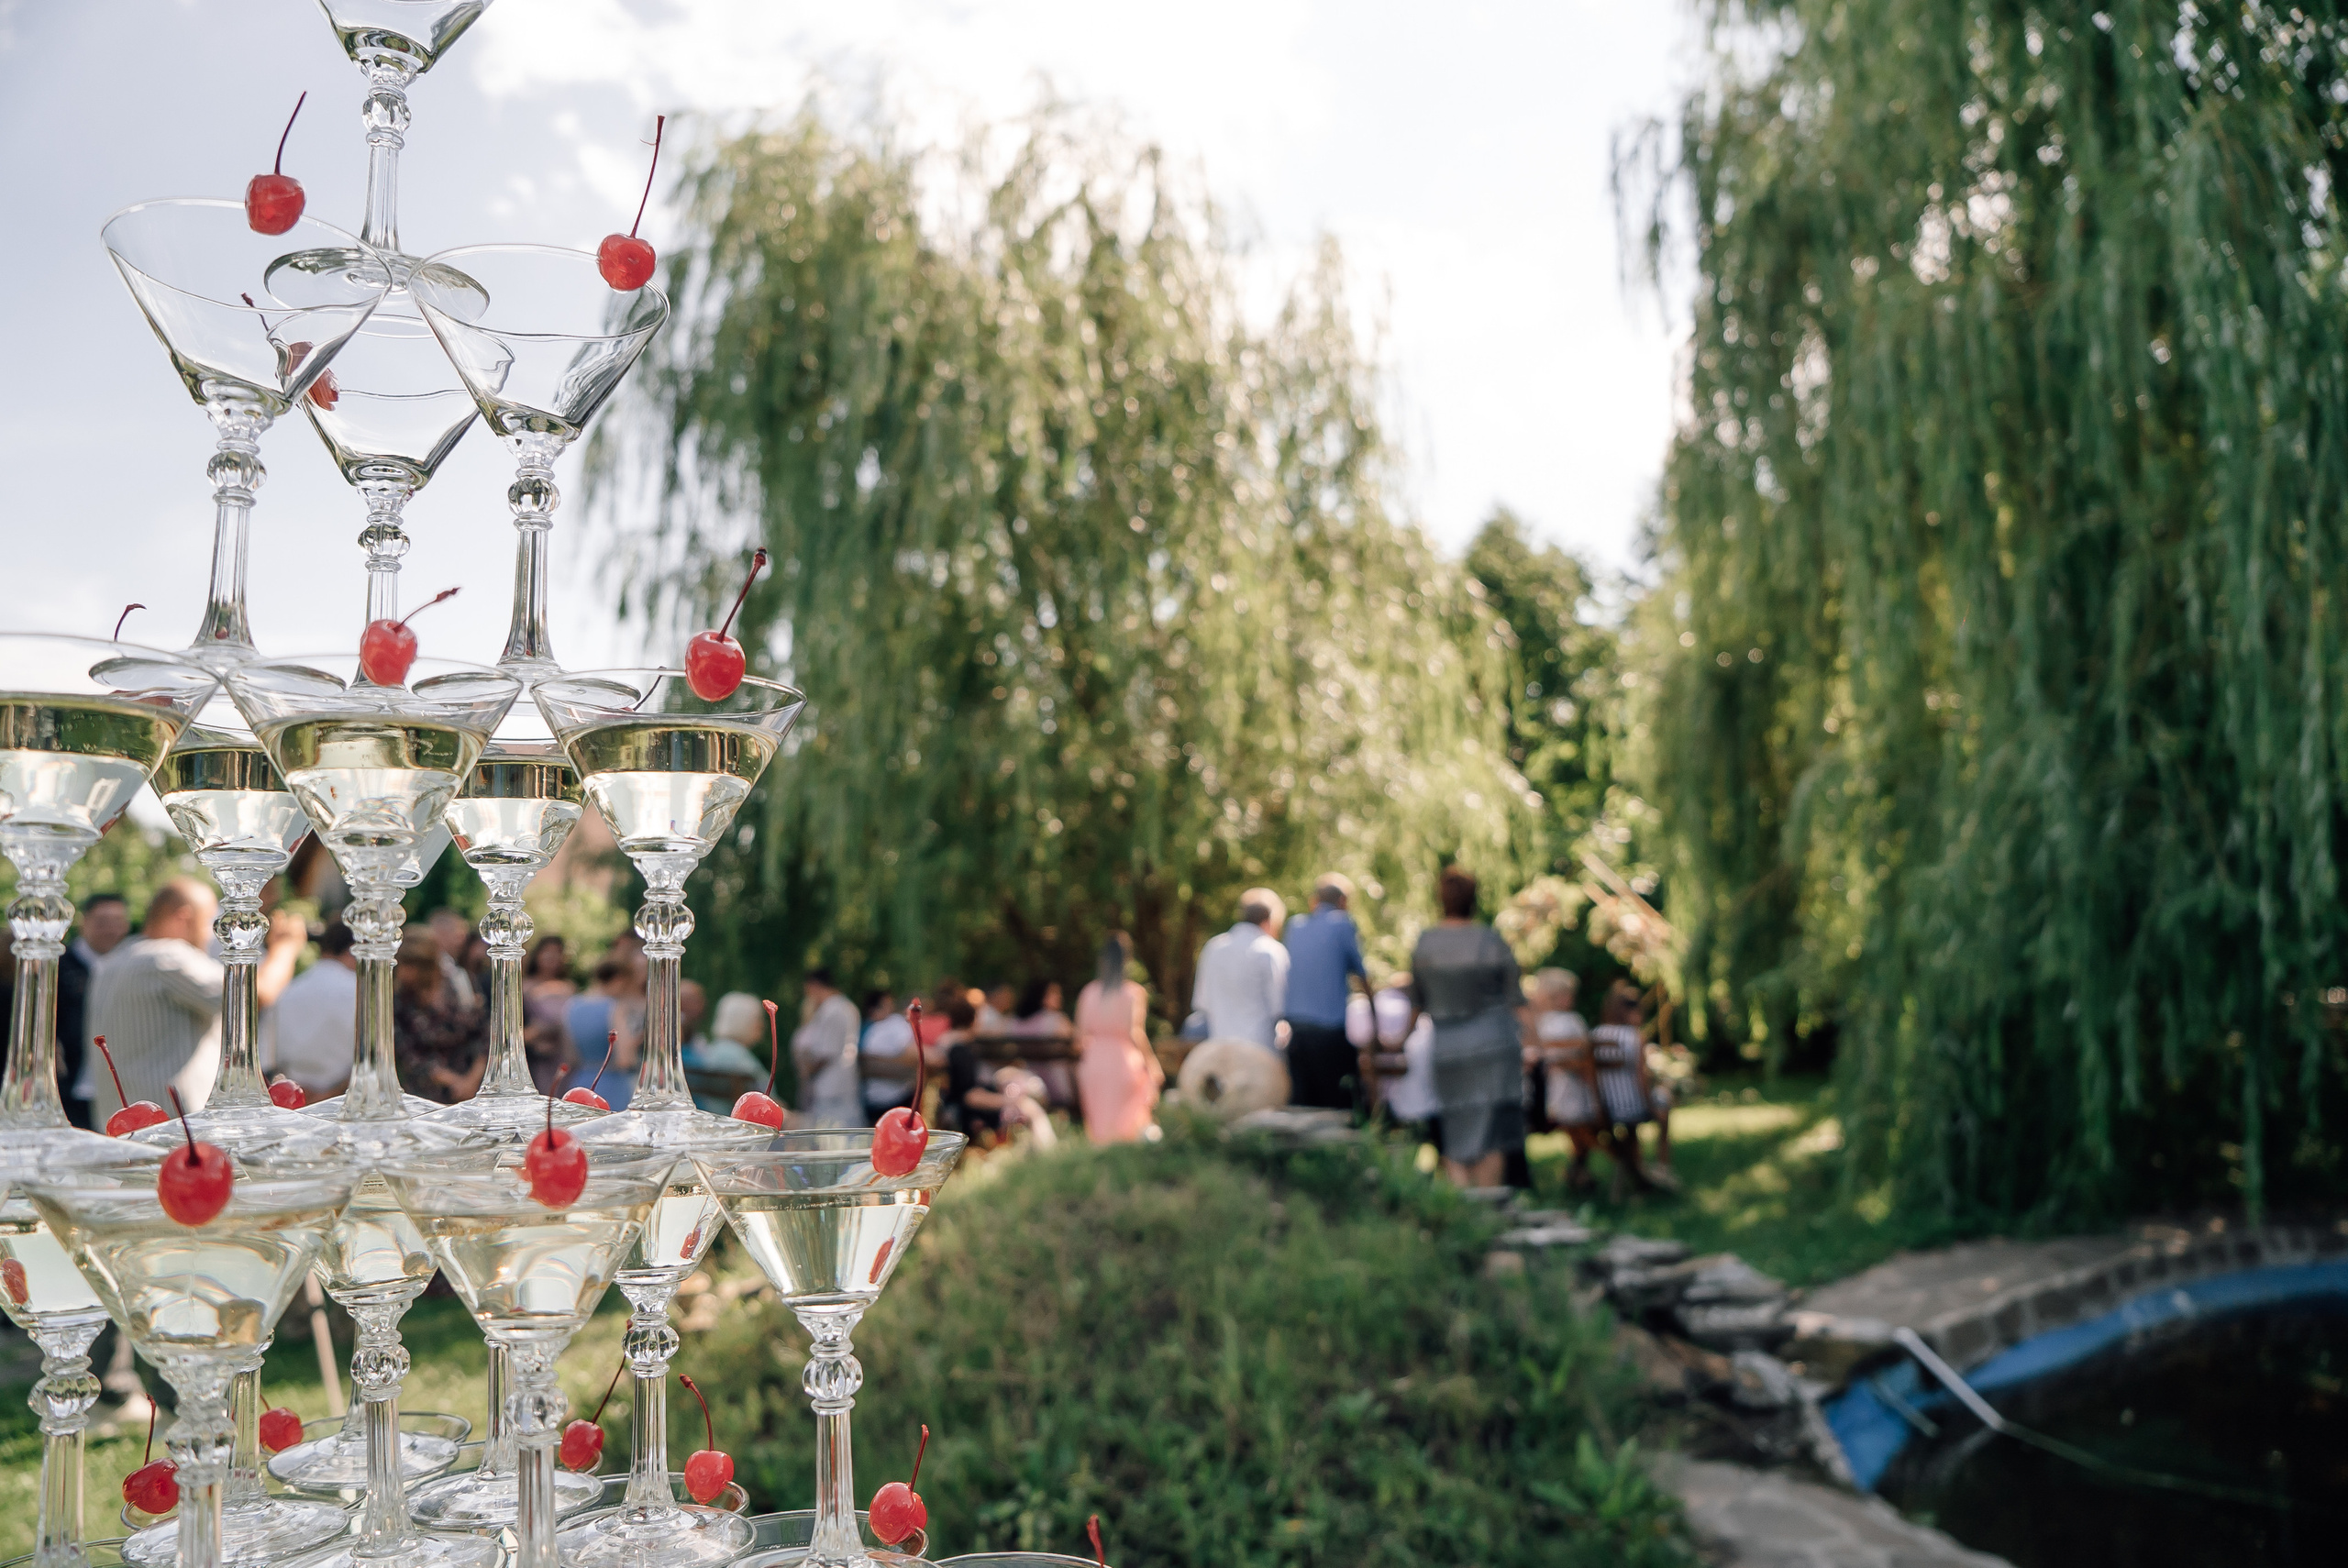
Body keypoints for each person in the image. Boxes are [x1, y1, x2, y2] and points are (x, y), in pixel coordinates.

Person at [80, 878, 304, 1121]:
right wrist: (286, 948)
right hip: (176, 1126)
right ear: (183, 917)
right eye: (209, 922)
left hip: (122, 1123)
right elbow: (253, 996)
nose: (212, 936)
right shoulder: (169, 957)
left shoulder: (114, 960)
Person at [1406, 867, 1530, 1189]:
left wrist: (1397, 1042)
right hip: (1494, 1046)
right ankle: (1490, 1205)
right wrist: (1537, 1042)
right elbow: (1516, 1000)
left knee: (1456, 1129)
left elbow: (1416, 1003)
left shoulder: (1426, 943)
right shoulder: (1490, 940)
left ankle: (1463, 1206)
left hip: (1448, 1048)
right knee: (1491, 1135)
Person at [1281, 874, 1370, 1110]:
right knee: (1338, 1102)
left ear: (1315, 900)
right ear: (1343, 901)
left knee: (1303, 1103)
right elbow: (1361, 974)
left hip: (1297, 1031)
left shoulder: (1295, 926)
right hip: (1329, 1033)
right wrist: (1374, 1016)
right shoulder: (1342, 924)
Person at [1074, 932, 1161, 1143]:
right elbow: (1135, 1033)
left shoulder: (1089, 992)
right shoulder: (1133, 993)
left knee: (1100, 1129)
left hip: (1093, 1061)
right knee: (1125, 1128)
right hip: (1123, 1061)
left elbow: (1080, 1036)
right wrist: (1151, 1063)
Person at [1590, 979, 1674, 1192]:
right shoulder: (1635, 1037)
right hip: (1632, 1107)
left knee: (1629, 1135)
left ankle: (1636, 1174)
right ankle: (1662, 1167)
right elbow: (1641, 1078)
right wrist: (1650, 1106)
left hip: (1605, 1108)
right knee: (1665, 1103)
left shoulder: (1595, 1035)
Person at [57, 891, 131, 1128]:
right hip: (68, 1082)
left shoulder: (133, 966)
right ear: (84, 922)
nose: (110, 930)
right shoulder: (59, 965)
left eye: (117, 922)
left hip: (122, 1083)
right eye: (102, 922)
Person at [264, 919, 359, 1100]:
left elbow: (269, 1055)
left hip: (294, 1097)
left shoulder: (289, 989)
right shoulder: (360, 991)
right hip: (347, 1099)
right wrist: (329, 1094)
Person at [1189, 889, 1290, 1052]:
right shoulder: (1271, 951)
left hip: (1220, 1047)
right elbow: (1280, 1006)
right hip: (1260, 1050)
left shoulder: (1213, 948)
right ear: (1270, 920)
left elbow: (1202, 1003)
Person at [393, 929, 486, 1104]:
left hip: (473, 1087)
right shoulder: (400, 999)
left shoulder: (461, 985)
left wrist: (472, 1081)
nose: (403, 972)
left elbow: (485, 1034)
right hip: (425, 1095)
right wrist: (455, 1082)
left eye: (408, 965)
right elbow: (407, 1053)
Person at [1533, 969, 1601, 1192]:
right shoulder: (1546, 1022)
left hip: (1577, 1082)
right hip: (1561, 1084)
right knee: (1575, 1128)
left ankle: (1579, 1171)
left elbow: (1584, 1049)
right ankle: (1580, 1172)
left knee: (1582, 1129)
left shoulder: (1572, 1019)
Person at [563, 955, 642, 1110]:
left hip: (581, 1081)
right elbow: (625, 1060)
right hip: (613, 1085)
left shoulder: (572, 1006)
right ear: (619, 980)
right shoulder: (615, 1008)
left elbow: (570, 1056)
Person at [792, 967, 865, 1128]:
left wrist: (808, 1070)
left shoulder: (832, 1010)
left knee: (831, 1132)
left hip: (830, 1085)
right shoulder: (846, 1007)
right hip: (842, 1081)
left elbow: (825, 1053)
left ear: (814, 986)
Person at [689, 991, 774, 1115]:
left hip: (714, 1118)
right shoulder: (743, 1061)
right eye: (758, 1020)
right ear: (745, 1022)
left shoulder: (710, 1052)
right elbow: (767, 1102)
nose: (763, 1025)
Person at [523, 935, 578, 1093]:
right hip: (536, 1058)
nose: (552, 957)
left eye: (557, 952)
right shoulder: (524, 986)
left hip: (563, 1055)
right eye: (547, 952)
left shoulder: (569, 987)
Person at [859, 988, 919, 1121]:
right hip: (868, 1101)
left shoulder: (894, 1023)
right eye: (887, 1004)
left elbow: (912, 1055)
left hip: (896, 1098)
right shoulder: (864, 1028)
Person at [427, 908, 479, 1008]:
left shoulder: (453, 965)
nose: (463, 940)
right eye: (458, 934)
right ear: (441, 933)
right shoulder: (431, 967)